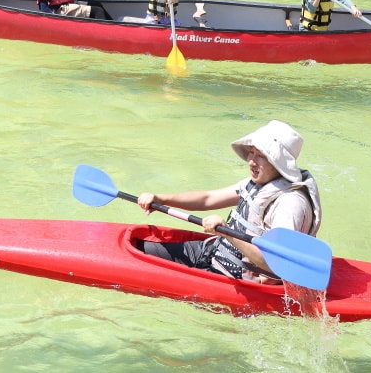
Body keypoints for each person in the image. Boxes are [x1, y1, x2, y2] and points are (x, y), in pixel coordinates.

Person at [136, 120, 322, 284]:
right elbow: (208, 199)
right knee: (141, 249)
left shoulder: (290, 204)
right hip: (212, 252)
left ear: (279, 163)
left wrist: (227, 232)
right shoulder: (259, 183)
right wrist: (161, 198)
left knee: (148, 274)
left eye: (261, 156)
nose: (251, 161)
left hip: (235, 279)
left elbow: (279, 264)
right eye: (251, 152)